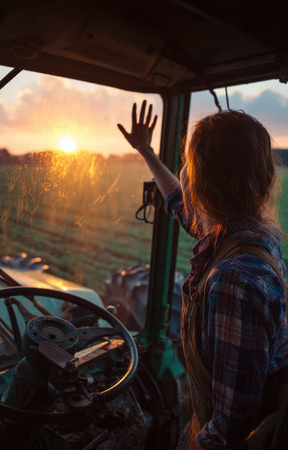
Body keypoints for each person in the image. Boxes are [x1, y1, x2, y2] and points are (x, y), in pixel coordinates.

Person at [118, 100, 288, 449]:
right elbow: (180, 204)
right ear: (265, 178)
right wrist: (146, 151)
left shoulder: (231, 280)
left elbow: (232, 427)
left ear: (202, 182)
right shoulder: (253, 236)